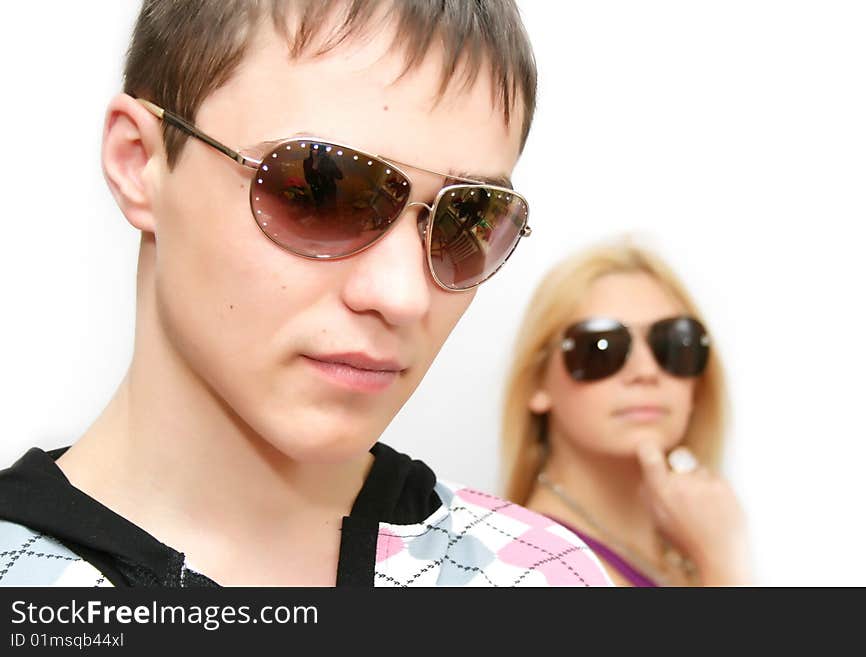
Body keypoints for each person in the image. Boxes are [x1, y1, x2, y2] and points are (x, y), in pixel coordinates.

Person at [0, 0, 611, 588]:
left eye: (468, 220)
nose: (403, 295)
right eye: (321, 191)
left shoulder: (533, 575)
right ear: (139, 163)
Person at [501, 240, 754, 586]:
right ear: (537, 382)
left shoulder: (683, 552)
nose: (646, 371)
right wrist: (722, 564)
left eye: (673, 345)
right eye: (600, 348)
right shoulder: (532, 568)